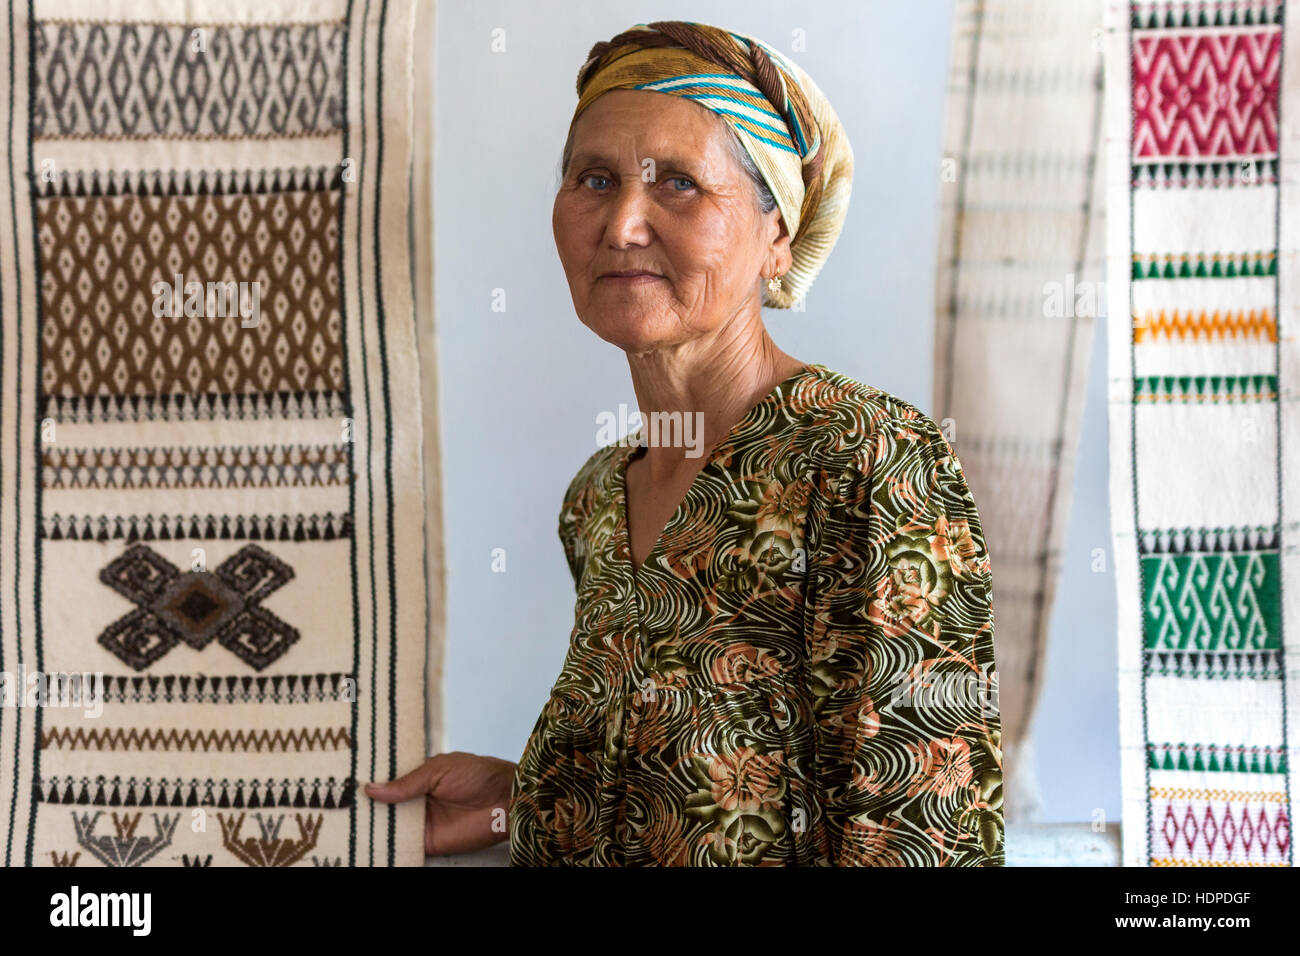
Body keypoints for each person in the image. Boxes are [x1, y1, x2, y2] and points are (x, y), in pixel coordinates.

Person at [367, 20, 1004, 866]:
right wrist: (520, 800)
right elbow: (702, 781)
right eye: (593, 179)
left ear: (778, 237)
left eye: (677, 185)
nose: (623, 222)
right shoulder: (596, 497)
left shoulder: (868, 460)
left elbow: (928, 830)